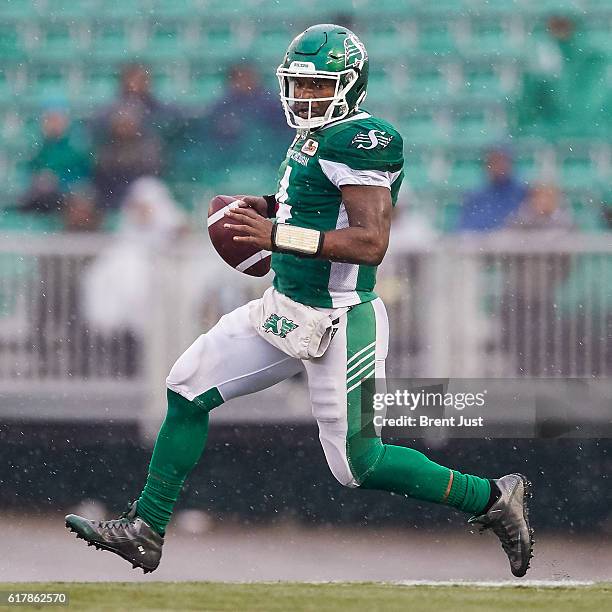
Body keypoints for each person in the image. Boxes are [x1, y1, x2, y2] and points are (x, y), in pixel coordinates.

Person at [65, 25, 534, 578]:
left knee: (358, 465)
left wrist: (274, 236)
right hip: (283, 308)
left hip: (341, 318)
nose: (304, 96)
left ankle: (492, 499)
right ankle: (147, 527)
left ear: (349, 85)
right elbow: (303, 202)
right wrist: (258, 207)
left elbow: (370, 241)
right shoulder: (312, 136)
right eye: (298, 84)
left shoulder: (365, 139)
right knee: (186, 386)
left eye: (317, 85)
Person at [510, 10, 609, 141]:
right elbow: (526, 109)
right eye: (555, 23)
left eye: (563, 23)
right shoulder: (540, 56)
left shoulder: (595, 58)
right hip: (551, 138)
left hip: (595, 137)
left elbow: (592, 104)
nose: (559, 30)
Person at [21, 104, 91, 214]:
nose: (53, 125)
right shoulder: (35, 149)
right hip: (37, 199)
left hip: (64, 201)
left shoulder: (77, 150)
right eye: (49, 120)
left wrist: (57, 181)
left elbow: (83, 178)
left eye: (57, 120)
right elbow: (26, 173)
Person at [93, 104, 163, 209]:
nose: (123, 129)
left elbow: (151, 170)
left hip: (139, 189)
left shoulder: (148, 144)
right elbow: (102, 170)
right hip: (112, 191)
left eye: (127, 124)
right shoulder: (107, 144)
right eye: (120, 124)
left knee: (148, 188)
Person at [457, 146, 528, 232]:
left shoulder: (524, 194)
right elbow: (466, 229)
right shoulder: (475, 197)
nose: (499, 166)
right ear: (487, 166)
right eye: (494, 162)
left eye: (503, 162)